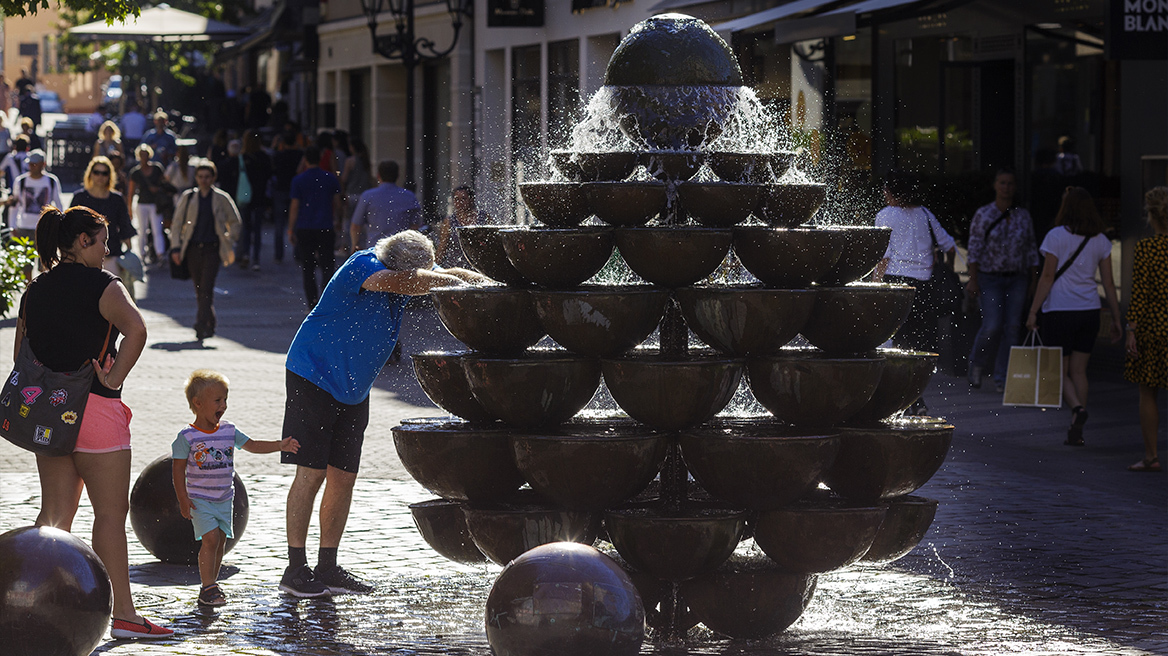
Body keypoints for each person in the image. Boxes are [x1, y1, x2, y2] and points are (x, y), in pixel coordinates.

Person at [278, 229, 485, 597]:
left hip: (353, 390)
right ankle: (294, 570)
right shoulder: (364, 265)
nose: (425, 278)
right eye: (420, 273)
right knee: (311, 474)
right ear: (401, 265)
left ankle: (328, 566)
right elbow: (406, 282)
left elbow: (443, 273)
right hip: (313, 376)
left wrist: (484, 282)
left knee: (343, 477)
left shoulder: (405, 270)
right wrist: (444, 279)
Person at [17, 205, 172, 638]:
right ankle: (124, 615)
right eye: (102, 242)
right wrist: (114, 377)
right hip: (97, 410)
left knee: (54, 514)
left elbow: (20, 355)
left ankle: (31, 605)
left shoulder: (35, 289)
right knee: (109, 514)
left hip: (50, 414)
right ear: (83, 241)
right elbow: (137, 330)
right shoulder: (105, 285)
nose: (106, 251)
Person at [172, 369, 299, 607]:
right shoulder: (187, 437)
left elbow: (253, 445)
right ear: (198, 403)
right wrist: (182, 498)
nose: (224, 405)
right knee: (210, 539)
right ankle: (208, 586)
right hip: (200, 499)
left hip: (224, 498)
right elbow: (177, 470)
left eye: (225, 399)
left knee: (220, 541)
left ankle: (211, 584)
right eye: (217, 400)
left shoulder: (229, 430)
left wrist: (279, 446)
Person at [1025, 187, 1122, 447]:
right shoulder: (1101, 240)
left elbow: (1047, 277)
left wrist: (1033, 311)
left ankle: (1077, 409)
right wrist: (1116, 318)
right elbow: (1109, 284)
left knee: (1059, 371)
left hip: (1059, 310)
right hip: (1089, 311)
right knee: (1080, 371)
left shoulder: (1056, 236)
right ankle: (1076, 429)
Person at [873, 170, 956, 416]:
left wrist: (875, 286)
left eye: (886, 188)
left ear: (893, 191)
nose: (884, 193)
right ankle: (914, 399)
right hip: (923, 286)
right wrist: (942, 267)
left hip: (896, 284)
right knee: (916, 346)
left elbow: (883, 257)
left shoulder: (885, 215)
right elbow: (950, 246)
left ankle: (905, 400)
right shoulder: (925, 214)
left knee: (895, 344)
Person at [965, 170, 1040, 393]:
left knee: (1013, 328)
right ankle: (977, 364)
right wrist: (973, 280)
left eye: (1010, 183)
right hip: (990, 277)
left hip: (1017, 278)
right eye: (1002, 183)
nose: (1006, 187)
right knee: (992, 325)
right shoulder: (984, 214)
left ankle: (1003, 377)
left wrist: (1034, 281)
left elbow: (1031, 249)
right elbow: (974, 249)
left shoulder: (1023, 216)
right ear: (995, 185)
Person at [170, 159, 242, 341]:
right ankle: (211, 322)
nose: (204, 180)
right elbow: (177, 223)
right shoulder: (188, 197)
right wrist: (175, 248)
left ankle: (200, 324)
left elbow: (235, 221)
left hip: (213, 249)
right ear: (196, 177)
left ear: (213, 178)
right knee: (199, 289)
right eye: (200, 176)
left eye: (207, 177)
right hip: (193, 249)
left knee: (206, 288)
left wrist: (229, 239)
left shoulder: (221, 198)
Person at [1123, 187, 1167, 472]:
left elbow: (1139, 293)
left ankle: (1151, 456)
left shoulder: (1147, 248)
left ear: (1150, 216)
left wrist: (1131, 330)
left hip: (1153, 327)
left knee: (1148, 393)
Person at [70, 157, 137, 295]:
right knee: (85, 296)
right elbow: (70, 228)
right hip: (84, 257)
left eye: (104, 173)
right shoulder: (79, 198)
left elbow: (125, 226)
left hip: (111, 254)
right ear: (90, 174)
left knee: (112, 296)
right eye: (96, 172)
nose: (100, 176)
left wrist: (129, 255)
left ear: (110, 176)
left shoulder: (117, 199)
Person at [289, 145, 342, 307]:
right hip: (325, 225)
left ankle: (312, 301)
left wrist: (291, 228)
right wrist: (338, 220)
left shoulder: (298, 180)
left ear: (305, 160)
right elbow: (338, 202)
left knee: (308, 266)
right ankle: (326, 298)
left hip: (305, 226)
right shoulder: (330, 178)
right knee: (327, 265)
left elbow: (295, 206)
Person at [224, 131, 272, 271]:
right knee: (257, 229)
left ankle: (245, 253)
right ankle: (256, 259)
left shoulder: (242, 158)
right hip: (260, 196)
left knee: (245, 227)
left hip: (245, 196)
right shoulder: (264, 157)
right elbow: (269, 175)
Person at [349, 160, 420, 252]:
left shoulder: (368, 196)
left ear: (378, 176)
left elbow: (355, 226)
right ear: (397, 176)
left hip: (375, 249)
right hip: (401, 250)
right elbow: (415, 226)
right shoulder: (409, 196)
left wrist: (355, 245)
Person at [7, 149, 63, 242]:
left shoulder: (51, 181)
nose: (32, 167)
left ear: (43, 164)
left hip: (44, 227)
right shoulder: (21, 181)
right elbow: (14, 206)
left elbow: (58, 204)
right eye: (30, 164)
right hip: (24, 226)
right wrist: (12, 227)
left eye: (35, 164)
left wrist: (58, 225)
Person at [127, 143, 169, 264]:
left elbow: (165, 183)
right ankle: (142, 254)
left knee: (157, 230)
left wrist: (158, 189)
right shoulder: (135, 172)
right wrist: (129, 209)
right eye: (142, 155)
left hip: (155, 203)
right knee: (142, 230)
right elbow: (131, 192)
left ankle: (160, 253)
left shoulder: (157, 168)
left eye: (145, 155)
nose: (144, 158)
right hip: (142, 204)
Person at [435, 184, 489, 269]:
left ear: (471, 199)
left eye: (463, 199)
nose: (460, 202)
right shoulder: (449, 222)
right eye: (457, 199)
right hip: (455, 268)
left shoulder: (484, 218)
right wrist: (433, 267)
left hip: (478, 268)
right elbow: (442, 247)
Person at [270, 132, 303, 264]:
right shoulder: (299, 155)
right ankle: (298, 252)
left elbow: (272, 168)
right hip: (296, 189)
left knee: (279, 223)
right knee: (297, 221)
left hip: (280, 189)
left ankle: (278, 254)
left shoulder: (278, 155)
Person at [340, 140, 373, 256]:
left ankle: (347, 246)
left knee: (349, 222)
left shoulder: (350, 161)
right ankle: (363, 246)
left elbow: (344, 178)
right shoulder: (366, 160)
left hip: (352, 194)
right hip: (364, 194)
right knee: (364, 223)